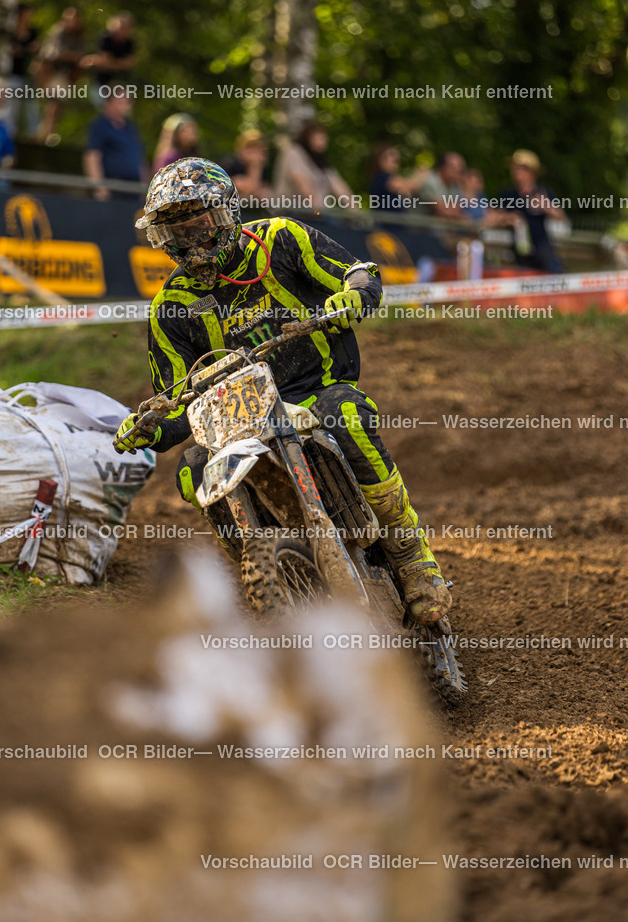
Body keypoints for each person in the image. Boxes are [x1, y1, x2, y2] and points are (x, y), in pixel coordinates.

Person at [113, 157, 452, 627]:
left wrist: (351, 295)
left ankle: (411, 556)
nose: (191, 238)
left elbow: (360, 272)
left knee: (345, 415)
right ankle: (263, 577)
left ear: (227, 212)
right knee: (192, 469)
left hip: (315, 389)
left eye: (199, 223)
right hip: (235, 423)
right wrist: (149, 426)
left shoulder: (280, 239)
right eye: (175, 231)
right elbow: (178, 406)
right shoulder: (169, 308)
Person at [499, 149, 564, 272]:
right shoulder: (508, 194)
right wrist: (508, 218)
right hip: (520, 250)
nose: (515, 172)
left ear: (531, 172)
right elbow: (494, 217)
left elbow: (560, 215)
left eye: (519, 169)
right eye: (514, 168)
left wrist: (545, 206)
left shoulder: (542, 192)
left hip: (542, 248)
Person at [273, 120, 355, 211]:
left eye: (323, 139)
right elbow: (306, 190)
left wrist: (357, 213)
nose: (321, 143)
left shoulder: (321, 162)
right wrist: (319, 213)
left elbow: (341, 189)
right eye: (317, 138)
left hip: (316, 215)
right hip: (292, 215)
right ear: (307, 138)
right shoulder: (294, 153)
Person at [84, 86, 146, 199]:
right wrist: (99, 187)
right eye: (119, 102)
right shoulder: (100, 126)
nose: (123, 106)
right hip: (112, 189)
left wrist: (144, 188)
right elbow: (92, 157)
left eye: (126, 102)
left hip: (134, 190)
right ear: (108, 103)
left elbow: (139, 159)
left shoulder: (131, 128)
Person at [35, 6, 86, 143]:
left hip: (62, 75)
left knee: (55, 104)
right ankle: (42, 133)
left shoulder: (79, 35)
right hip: (47, 72)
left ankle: (47, 134)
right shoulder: (58, 31)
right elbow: (51, 54)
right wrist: (70, 56)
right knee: (46, 103)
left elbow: (80, 57)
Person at [81, 12, 136, 102]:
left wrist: (106, 62)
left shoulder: (129, 43)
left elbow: (129, 63)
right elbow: (105, 60)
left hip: (121, 82)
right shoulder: (106, 38)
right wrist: (119, 64)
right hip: (101, 83)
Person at [6, 3, 40, 137]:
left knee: (31, 106)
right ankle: (9, 134)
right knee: (11, 107)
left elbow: (36, 51)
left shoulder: (33, 32)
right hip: (11, 74)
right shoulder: (9, 32)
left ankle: (34, 135)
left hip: (27, 75)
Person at [368, 143, 429, 213]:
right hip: (388, 222)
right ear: (380, 160)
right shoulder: (383, 179)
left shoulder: (385, 178)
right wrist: (422, 174)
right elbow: (411, 186)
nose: (395, 158)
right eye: (392, 158)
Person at [222, 129, 272, 202]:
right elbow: (249, 189)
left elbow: (267, 194)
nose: (255, 154)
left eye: (259, 149)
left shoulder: (264, 169)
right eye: (251, 148)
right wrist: (255, 167)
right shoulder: (231, 165)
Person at [416, 151, 466, 219]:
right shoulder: (431, 182)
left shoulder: (455, 184)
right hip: (417, 225)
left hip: (438, 225)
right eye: (453, 167)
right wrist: (459, 215)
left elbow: (457, 209)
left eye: (461, 167)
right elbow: (444, 212)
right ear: (442, 167)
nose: (458, 170)